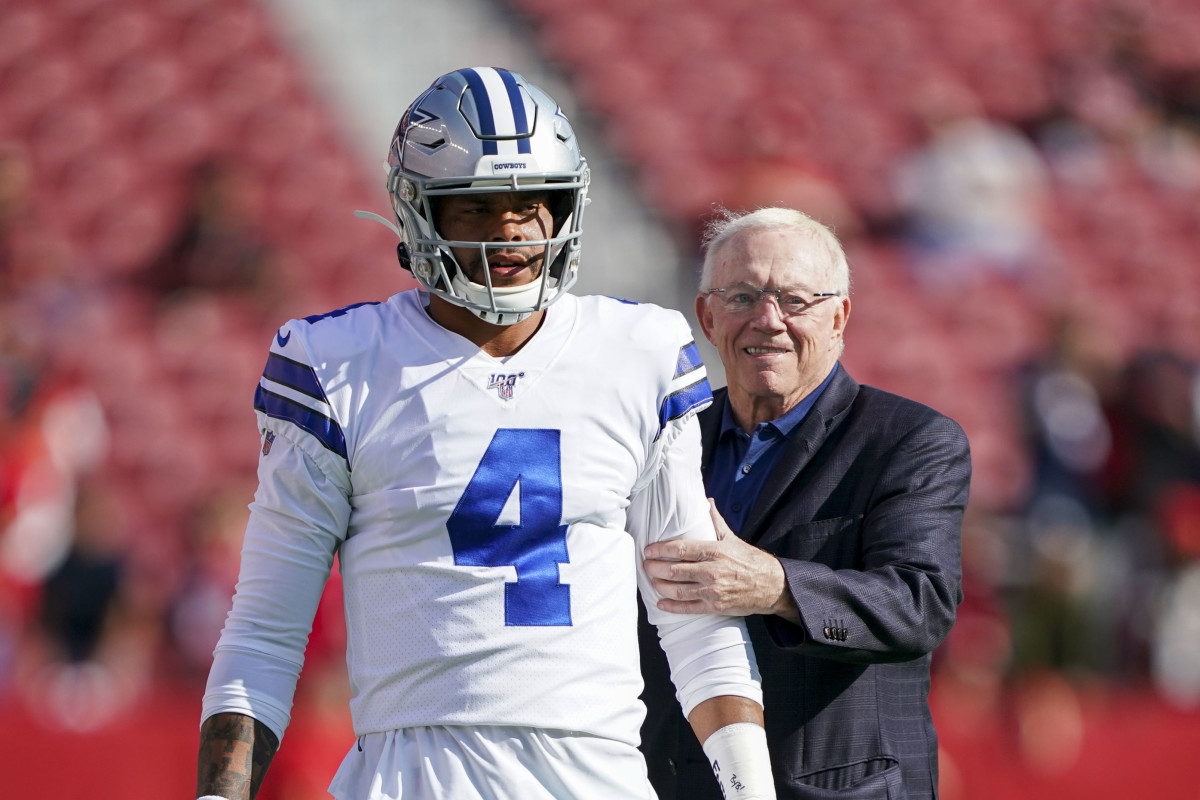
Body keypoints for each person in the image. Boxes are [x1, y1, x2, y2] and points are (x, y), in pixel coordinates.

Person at [194, 67, 775, 800]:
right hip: (412, 776)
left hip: (597, 776)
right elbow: (265, 633)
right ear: (418, 213)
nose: (511, 231)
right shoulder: (337, 365)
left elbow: (696, 621)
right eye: (477, 207)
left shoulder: (641, 352)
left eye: (533, 204)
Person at [638, 207, 971, 799]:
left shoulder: (911, 440)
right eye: (742, 297)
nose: (768, 321)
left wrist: (776, 585)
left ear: (840, 316)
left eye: (795, 300)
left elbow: (920, 604)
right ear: (706, 317)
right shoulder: (660, 438)